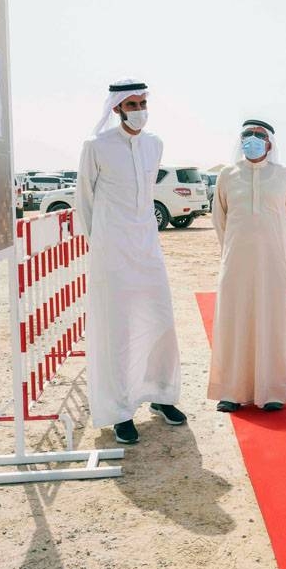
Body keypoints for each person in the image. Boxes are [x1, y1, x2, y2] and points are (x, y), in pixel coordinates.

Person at [75, 78, 185, 445]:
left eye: (142, 104)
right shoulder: (97, 145)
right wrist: (101, 245)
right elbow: (85, 199)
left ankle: (161, 396)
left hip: (147, 247)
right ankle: (119, 411)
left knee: (160, 319)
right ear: (117, 107)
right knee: (118, 329)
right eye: (132, 105)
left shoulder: (155, 145)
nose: (139, 111)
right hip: (112, 251)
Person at [208, 119, 286, 412]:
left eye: (259, 135)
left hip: (273, 263)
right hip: (235, 262)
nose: (253, 138)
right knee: (234, 321)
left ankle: (272, 391)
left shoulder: (284, 175)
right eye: (247, 134)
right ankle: (231, 392)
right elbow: (219, 219)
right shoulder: (228, 175)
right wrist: (234, 249)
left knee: (272, 322)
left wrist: (275, 251)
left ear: (270, 143)